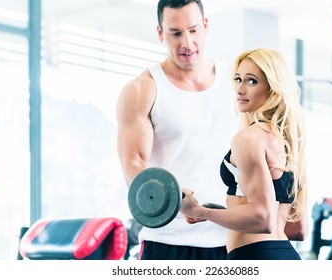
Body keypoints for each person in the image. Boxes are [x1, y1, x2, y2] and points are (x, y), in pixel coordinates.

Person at [116, 0, 238, 260]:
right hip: (167, 240)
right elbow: (134, 167)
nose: (187, 43)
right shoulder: (143, 89)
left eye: (193, 30)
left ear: (205, 26)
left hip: (231, 238)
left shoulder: (235, 82)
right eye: (176, 33)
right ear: (160, 33)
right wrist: (174, 197)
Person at [180, 48, 309, 260]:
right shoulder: (287, 142)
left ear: (272, 87)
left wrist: (198, 211)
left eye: (251, 81)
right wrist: (222, 213)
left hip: (255, 257)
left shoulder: (249, 138)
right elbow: (297, 229)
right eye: (238, 79)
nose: (240, 89)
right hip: (283, 254)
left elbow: (262, 219)